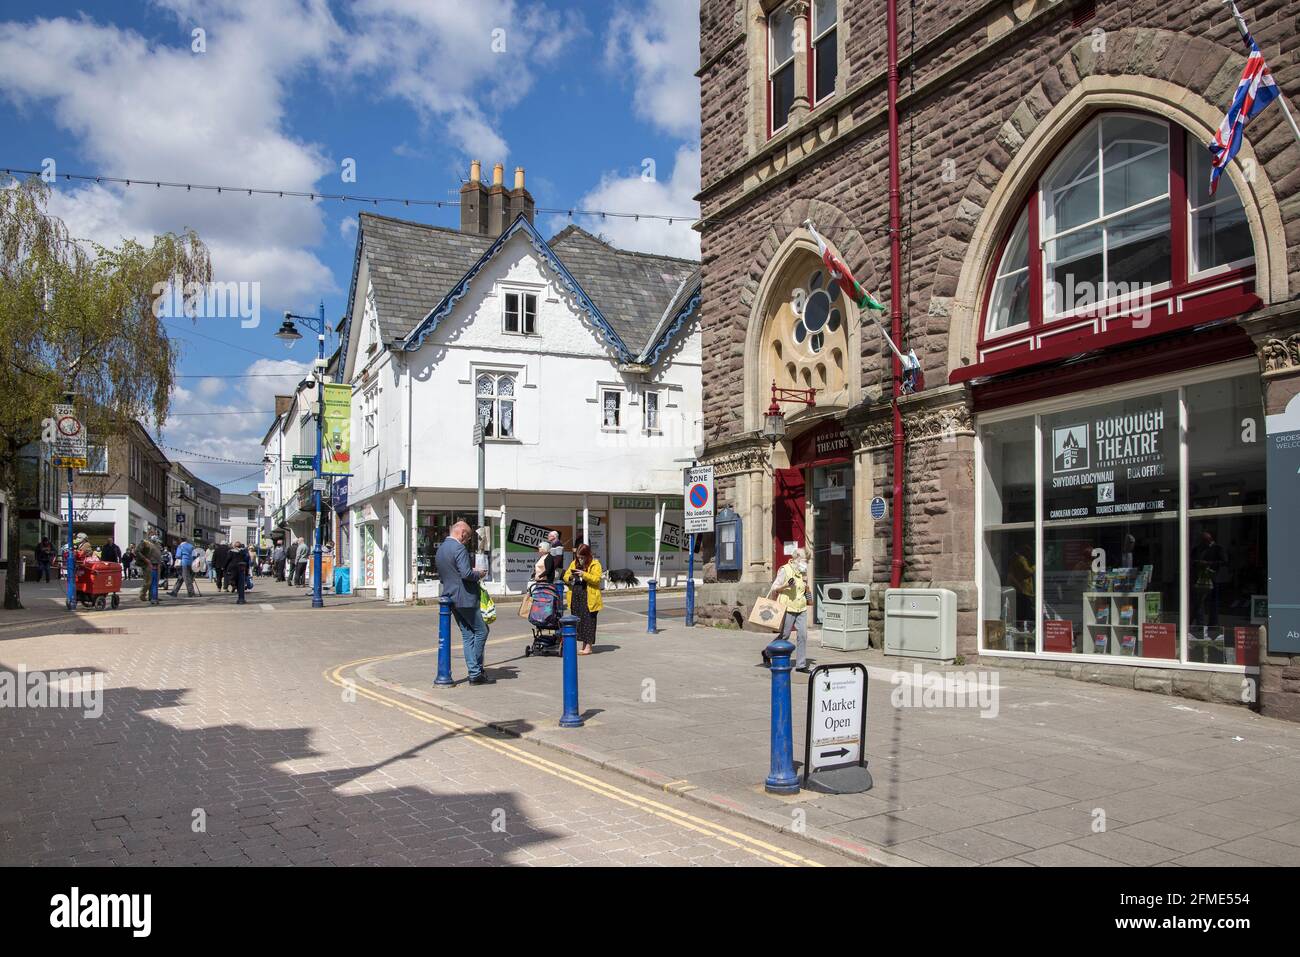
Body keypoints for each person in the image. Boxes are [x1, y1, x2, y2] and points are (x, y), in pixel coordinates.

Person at [434, 520, 491, 685]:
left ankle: (474, 673)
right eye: (467, 538)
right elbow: (466, 574)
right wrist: (478, 574)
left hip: (450, 597)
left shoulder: (442, 549)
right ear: (462, 534)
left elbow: (451, 572)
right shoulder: (459, 548)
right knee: (482, 631)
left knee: (467, 635)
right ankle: (476, 672)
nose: (467, 541)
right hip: (465, 597)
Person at [764, 547, 813, 673]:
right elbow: (775, 587)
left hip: (801, 607)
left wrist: (806, 584)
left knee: (802, 635)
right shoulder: (785, 570)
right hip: (788, 607)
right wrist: (786, 585)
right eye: (803, 560)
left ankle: (801, 665)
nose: (805, 563)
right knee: (785, 635)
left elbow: (804, 590)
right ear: (796, 558)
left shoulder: (803, 572)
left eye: (807, 561)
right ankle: (767, 652)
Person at [563, 543, 603, 655]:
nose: (579, 559)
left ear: (587, 555)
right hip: (576, 595)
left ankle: (588, 646)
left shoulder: (595, 564)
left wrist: (584, 574)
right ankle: (583, 645)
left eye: (582, 557)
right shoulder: (574, 563)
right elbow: (565, 576)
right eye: (578, 557)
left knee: (589, 621)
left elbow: (596, 580)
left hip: (589, 596)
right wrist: (570, 576)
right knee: (579, 621)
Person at [1007, 541, 1035, 629]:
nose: (1030, 554)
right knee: (1025, 610)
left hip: (1021, 589)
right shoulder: (1021, 559)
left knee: (1023, 610)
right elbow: (1028, 572)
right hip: (1023, 589)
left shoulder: (1016, 558)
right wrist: (1035, 566)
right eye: (1028, 551)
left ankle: (1022, 626)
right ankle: (1023, 627)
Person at [135, 536, 162, 601]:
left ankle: (153, 596)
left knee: (155, 582)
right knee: (148, 581)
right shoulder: (145, 543)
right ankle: (142, 595)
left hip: (157, 564)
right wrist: (146, 559)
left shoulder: (157, 544)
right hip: (148, 564)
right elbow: (137, 551)